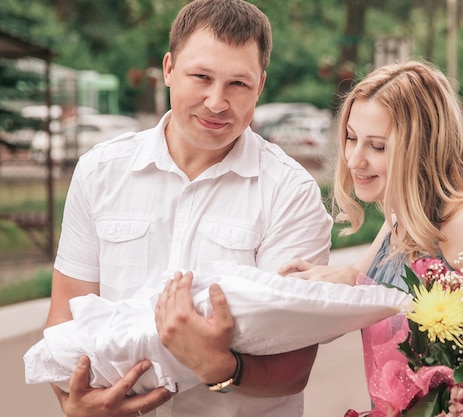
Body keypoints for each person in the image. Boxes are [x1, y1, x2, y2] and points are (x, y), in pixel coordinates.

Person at [44, 1, 333, 417]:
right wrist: (77, 401)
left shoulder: (290, 192)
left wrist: (220, 366)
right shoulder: (99, 171)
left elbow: (293, 368)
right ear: (168, 69)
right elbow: (65, 322)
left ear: (261, 86)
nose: (217, 102)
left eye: (238, 84)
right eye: (201, 77)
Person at [278, 60, 463, 415]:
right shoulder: (399, 220)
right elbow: (351, 303)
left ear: (424, 145)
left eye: (378, 146)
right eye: (352, 138)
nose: (355, 159)